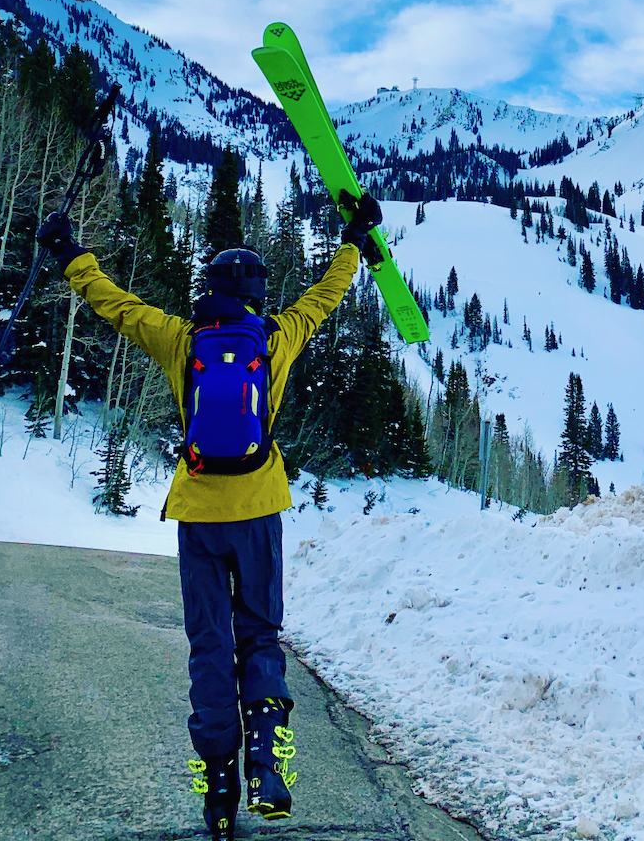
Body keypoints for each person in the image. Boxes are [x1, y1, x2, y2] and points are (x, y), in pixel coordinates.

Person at [37, 189, 383, 840]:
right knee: (258, 636)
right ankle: (269, 767)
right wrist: (354, 240)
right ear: (255, 293)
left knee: (210, 646)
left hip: (198, 514)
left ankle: (219, 789)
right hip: (258, 510)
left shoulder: (178, 339)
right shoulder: (276, 339)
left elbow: (115, 304)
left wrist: (69, 254)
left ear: (211, 289)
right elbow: (325, 296)